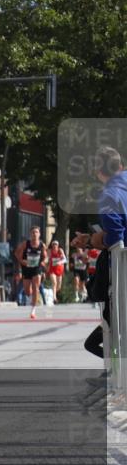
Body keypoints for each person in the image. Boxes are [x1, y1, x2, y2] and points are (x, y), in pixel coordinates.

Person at [77, 145, 127, 360]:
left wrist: (96, 240)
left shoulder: (109, 195)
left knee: (115, 324)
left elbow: (117, 237)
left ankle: (117, 379)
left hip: (122, 272)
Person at [15, 226, 48, 319]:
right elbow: (17, 253)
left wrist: (43, 262)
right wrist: (22, 261)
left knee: (36, 287)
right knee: (27, 291)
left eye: (36, 232)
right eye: (33, 232)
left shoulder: (42, 245)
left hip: (37, 268)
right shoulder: (25, 244)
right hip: (26, 268)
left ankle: (33, 310)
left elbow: (46, 257)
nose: (35, 234)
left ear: (39, 234)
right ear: (30, 234)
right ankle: (33, 298)